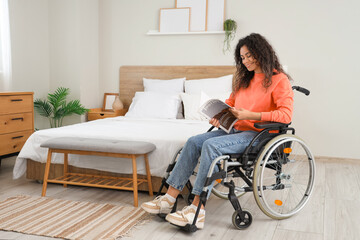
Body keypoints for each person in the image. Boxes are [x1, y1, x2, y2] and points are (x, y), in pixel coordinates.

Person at [141, 33, 294, 229]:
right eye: (242, 57)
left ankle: (197, 209)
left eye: (249, 56)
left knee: (211, 146)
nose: (245, 61)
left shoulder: (279, 80)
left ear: (261, 53)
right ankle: (169, 198)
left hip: (258, 135)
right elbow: (231, 104)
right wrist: (219, 114)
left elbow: (285, 115)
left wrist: (251, 115)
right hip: (235, 130)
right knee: (193, 141)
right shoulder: (245, 80)